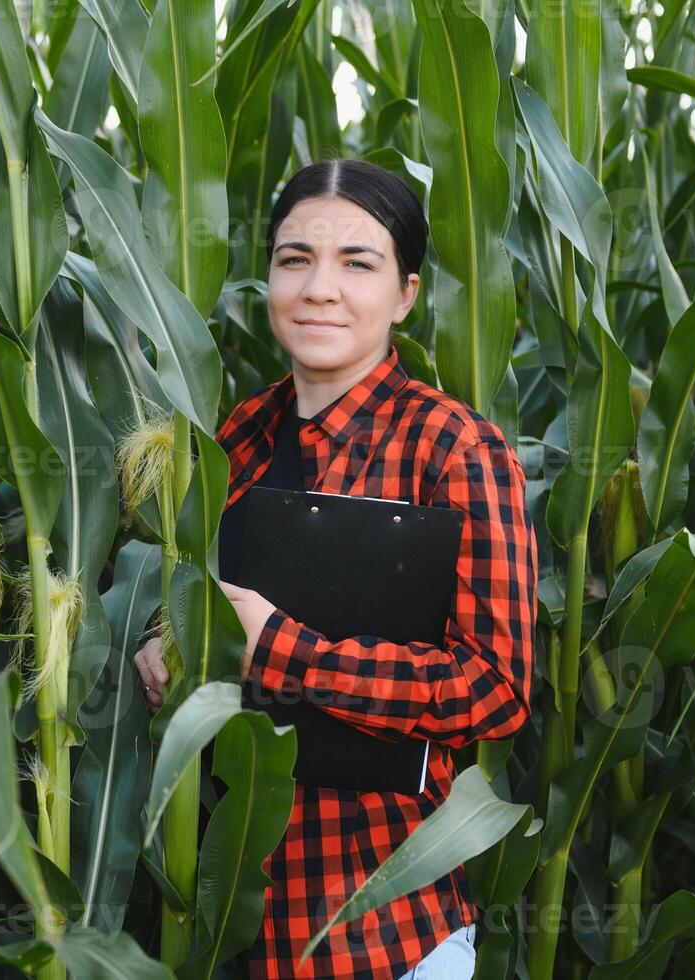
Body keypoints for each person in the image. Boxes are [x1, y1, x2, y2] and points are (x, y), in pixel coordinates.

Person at [132, 157, 538, 979]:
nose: (320, 288)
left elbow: (494, 689)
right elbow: (190, 583)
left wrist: (283, 653)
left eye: (357, 263)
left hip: (382, 937)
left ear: (406, 295)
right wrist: (163, 636)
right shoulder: (232, 439)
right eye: (294, 260)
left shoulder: (454, 451)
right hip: (228, 935)